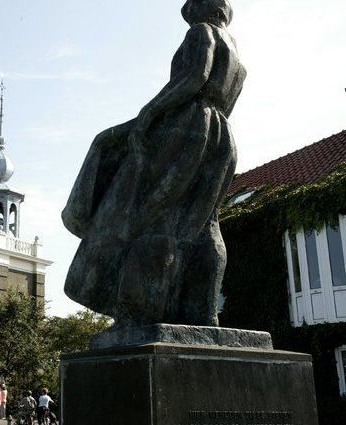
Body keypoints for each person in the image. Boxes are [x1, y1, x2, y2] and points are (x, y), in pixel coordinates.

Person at [61, 0, 245, 328]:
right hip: (223, 135)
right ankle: (201, 311)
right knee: (205, 224)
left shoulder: (201, 33)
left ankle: (137, 312)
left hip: (188, 127)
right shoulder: (236, 52)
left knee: (149, 215)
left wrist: (149, 112)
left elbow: (194, 77)